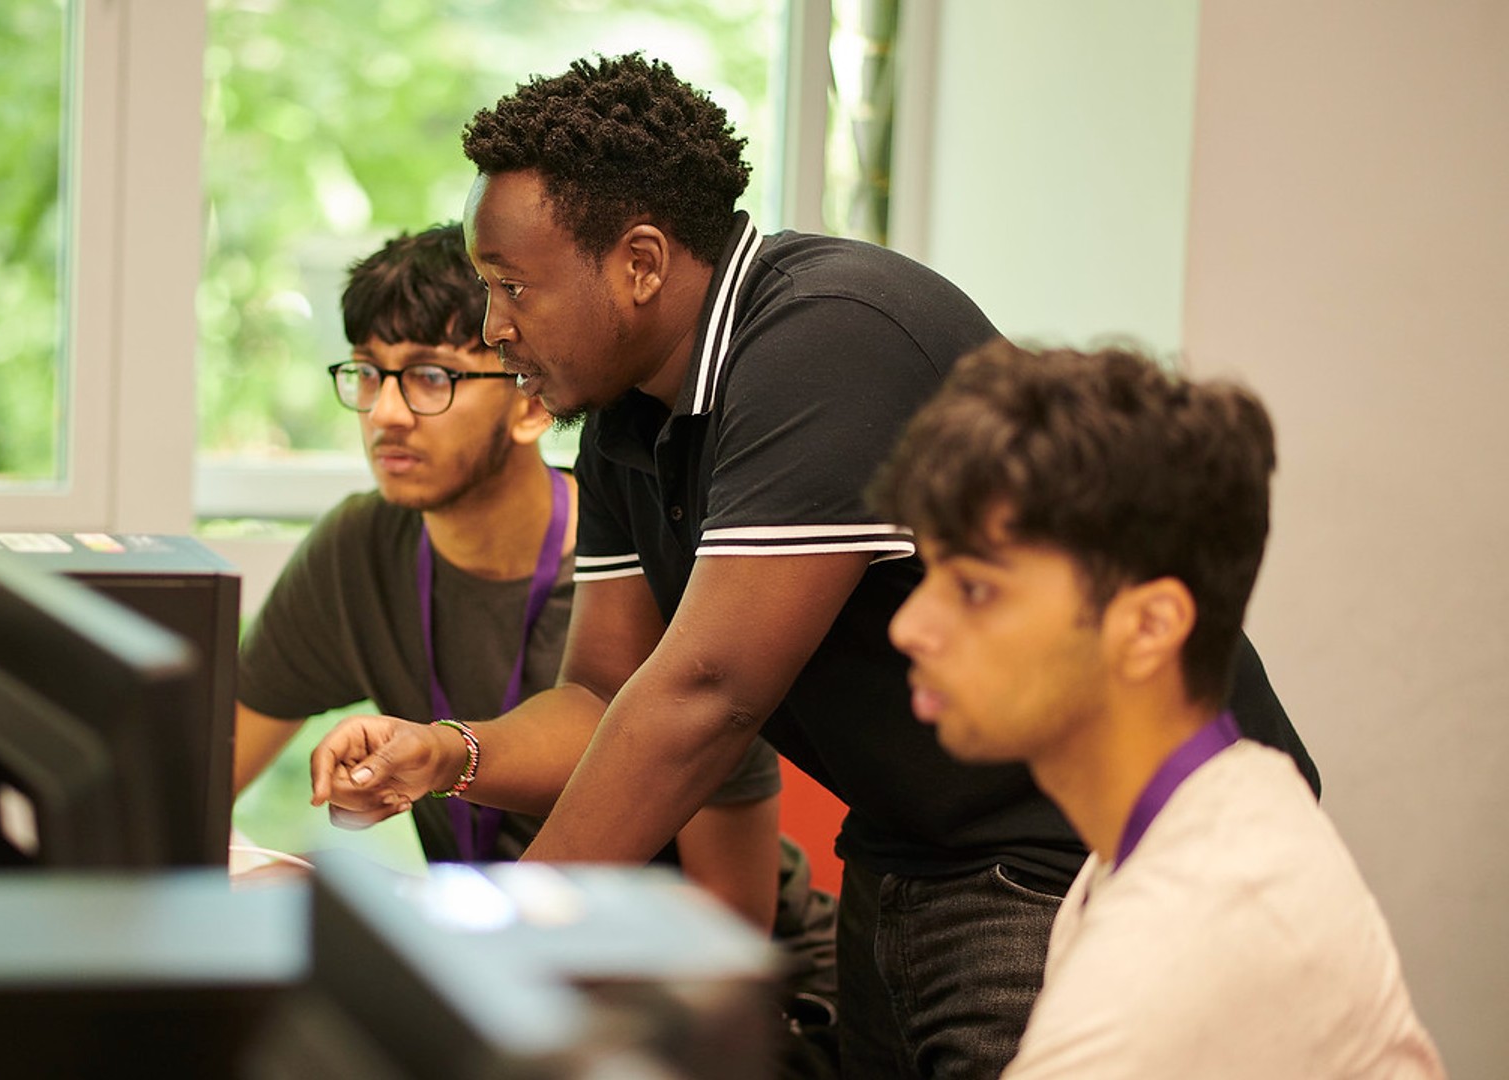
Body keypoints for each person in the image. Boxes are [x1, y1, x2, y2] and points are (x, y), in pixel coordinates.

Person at [307, 54, 1319, 1078]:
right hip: (916, 837)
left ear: (642, 263)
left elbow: (708, 694)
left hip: (1067, 841)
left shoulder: (823, 339)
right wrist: (451, 753)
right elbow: (607, 698)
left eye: (511, 286)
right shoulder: (623, 415)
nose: (494, 325)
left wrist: (488, 946)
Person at [230, 222, 841, 1061]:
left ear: (526, 400)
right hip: (508, 980)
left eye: (432, 378)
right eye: (369, 374)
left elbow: (726, 927)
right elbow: (198, 769)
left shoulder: (639, 582)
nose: (387, 413)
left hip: (721, 1004)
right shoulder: (360, 550)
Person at [873, 342, 1442, 1077]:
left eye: (975, 589)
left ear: (1148, 627)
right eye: (931, 572)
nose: (907, 627)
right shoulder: (1230, 794)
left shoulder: (1167, 961)